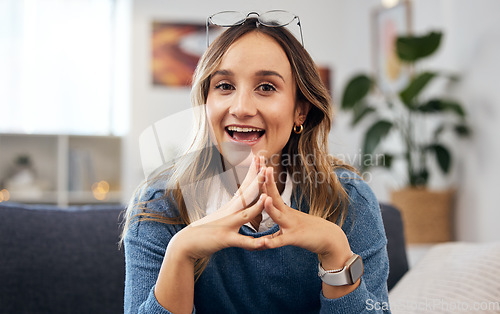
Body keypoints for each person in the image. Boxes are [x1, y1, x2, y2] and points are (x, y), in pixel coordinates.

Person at [122, 11, 390, 314]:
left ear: (300, 111)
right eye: (224, 86)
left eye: (266, 87)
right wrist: (180, 253)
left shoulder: (350, 200)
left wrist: (335, 251)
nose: (242, 108)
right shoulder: (159, 205)